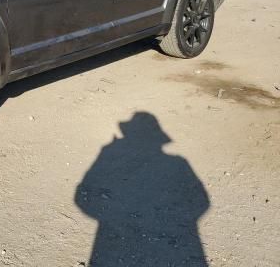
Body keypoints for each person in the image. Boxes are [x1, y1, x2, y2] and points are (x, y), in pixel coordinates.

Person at [75, 112, 210, 266]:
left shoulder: (110, 151)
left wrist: (110, 217)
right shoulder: (179, 162)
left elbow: (81, 195)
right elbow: (202, 201)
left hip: (113, 240)